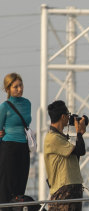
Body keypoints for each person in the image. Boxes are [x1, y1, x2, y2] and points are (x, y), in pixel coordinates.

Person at [44, 100, 86, 211]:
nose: (69, 118)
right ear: (63, 116)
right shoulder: (53, 138)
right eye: (68, 115)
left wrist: (76, 131)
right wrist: (79, 133)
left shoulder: (61, 137)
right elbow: (81, 150)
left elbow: (76, 155)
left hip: (71, 186)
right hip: (64, 189)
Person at [0, 73, 31, 210]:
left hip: (24, 147)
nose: (20, 89)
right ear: (8, 89)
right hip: (9, 147)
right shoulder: (4, 107)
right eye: (15, 87)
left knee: (21, 183)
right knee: (7, 185)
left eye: (21, 85)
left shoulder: (27, 103)